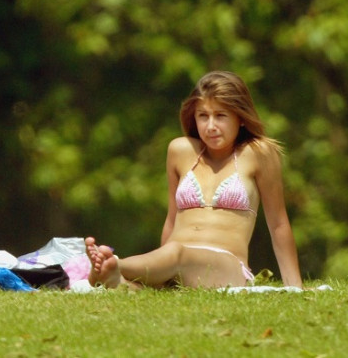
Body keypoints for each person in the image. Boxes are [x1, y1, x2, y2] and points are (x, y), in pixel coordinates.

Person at [86, 71, 303, 289]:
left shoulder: (259, 153)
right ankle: (116, 280)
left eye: (221, 116)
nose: (210, 126)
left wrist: (295, 286)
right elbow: (172, 219)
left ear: (241, 118)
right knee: (140, 284)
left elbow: (278, 224)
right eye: (203, 116)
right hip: (175, 259)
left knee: (176, 252)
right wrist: (160, 278)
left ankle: (114, 265)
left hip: (225, 266)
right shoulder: (180, 150)